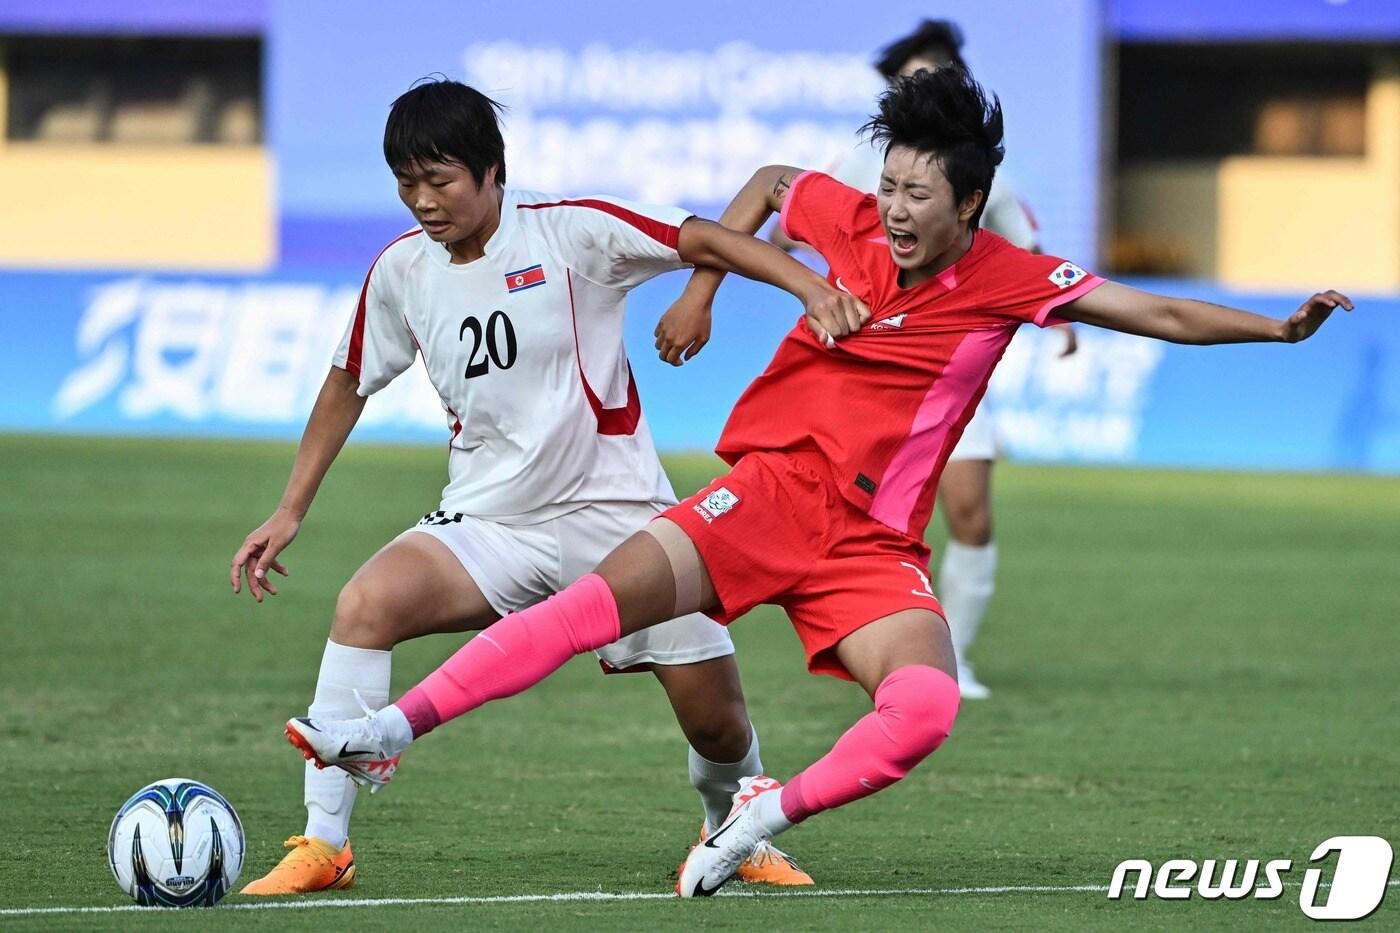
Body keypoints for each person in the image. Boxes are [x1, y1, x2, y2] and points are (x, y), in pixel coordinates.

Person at [287, 68, 1352, 897]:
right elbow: (767, 184)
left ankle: (752, 820)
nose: (892, 210)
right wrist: (703, 292)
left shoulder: (1011, 280)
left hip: (872, 542)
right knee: (591, 607)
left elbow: (1156, 311)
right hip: (771, 494)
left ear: (971, 202)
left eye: (917, 194)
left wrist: (1277, 330)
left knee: (924, 707)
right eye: (887, 187)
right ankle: (388, 732)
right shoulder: (847, 222)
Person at [230, 78, 838, 894]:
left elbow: (704, 238)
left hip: (622, 520)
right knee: (366, 604)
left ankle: (734, 829)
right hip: (489, 521)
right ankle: (324, 843)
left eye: (439, 180)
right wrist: (289, 508)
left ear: (492, 171)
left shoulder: (571, 231)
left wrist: (804, 287)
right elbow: (348, 379)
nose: (423, 201)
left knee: (718, 722)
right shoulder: (402, 270)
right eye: (406, 183)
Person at [723, 19, 1065, 699]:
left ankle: (951, 656)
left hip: (949, 371)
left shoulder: (980, 180)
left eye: (932, 77)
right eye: (909, 80)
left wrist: (1063, 323)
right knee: (841, 513)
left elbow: (1029, 259)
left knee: (971, 512)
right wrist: (810, 283)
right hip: (863, 373)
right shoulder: (864, 166)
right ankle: (879, 636)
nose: (898, 205)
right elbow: (793, 226)